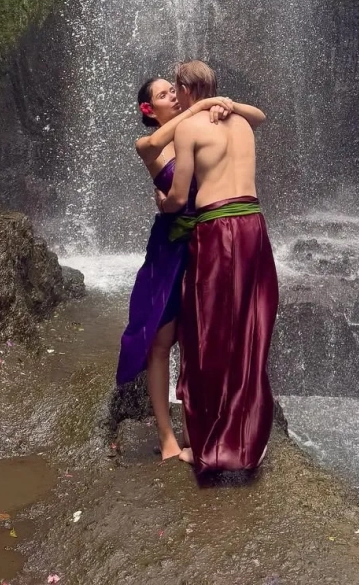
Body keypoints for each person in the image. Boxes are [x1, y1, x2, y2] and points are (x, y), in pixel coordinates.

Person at [116, 76, 265, 460]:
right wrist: (200, 105)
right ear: (149, 109)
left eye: (173, 90)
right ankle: (167, 437)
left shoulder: (198, 129)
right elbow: (154, 145)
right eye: (163, 94)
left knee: (198, 338)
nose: (173, 96)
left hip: (206, 243)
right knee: (161, 340)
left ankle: (196, 432)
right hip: (169, 250)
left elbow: (252, 124)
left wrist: (221, 107)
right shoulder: (148, 144)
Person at [157, 60, 278, 475]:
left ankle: (210, 447)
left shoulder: (189, 128)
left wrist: (163, 204)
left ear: (186, 90)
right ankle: (249, 440)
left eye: (177, 90)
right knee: (248, 330)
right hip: (253, 225)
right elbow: (259, 115)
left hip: (217, 228)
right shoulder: (242, 123)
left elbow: (179, 197)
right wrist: (230, 104)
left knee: (206, 332)